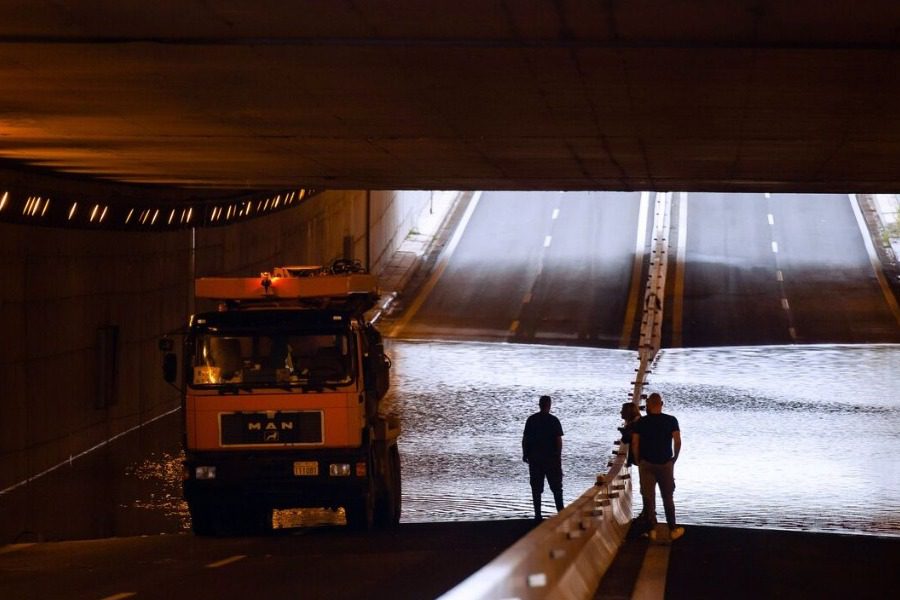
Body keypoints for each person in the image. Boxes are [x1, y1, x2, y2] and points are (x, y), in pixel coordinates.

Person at [632, 392, 684, 541]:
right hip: (665, 464)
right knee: (668, 497)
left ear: (648, 405)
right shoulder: (671, 420)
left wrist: (638, 460)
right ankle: (673, 529)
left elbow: (635, 443)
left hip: (646, 464)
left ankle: (651, 530)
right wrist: (675, 458)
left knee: (649, 497)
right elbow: (678, 441)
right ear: (661, 404)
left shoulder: (641, 422)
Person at [522, 395, 564, 520]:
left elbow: (525, 439)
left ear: (539, 405)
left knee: (536, 488)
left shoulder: (531, 420)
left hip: (535, 459)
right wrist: (558, 457)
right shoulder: (554, 420)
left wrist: (525, 453)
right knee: (557, 488)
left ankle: (538, 516)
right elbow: (558, 440)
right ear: (549, 405)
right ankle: (561, 514)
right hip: (551, 459)